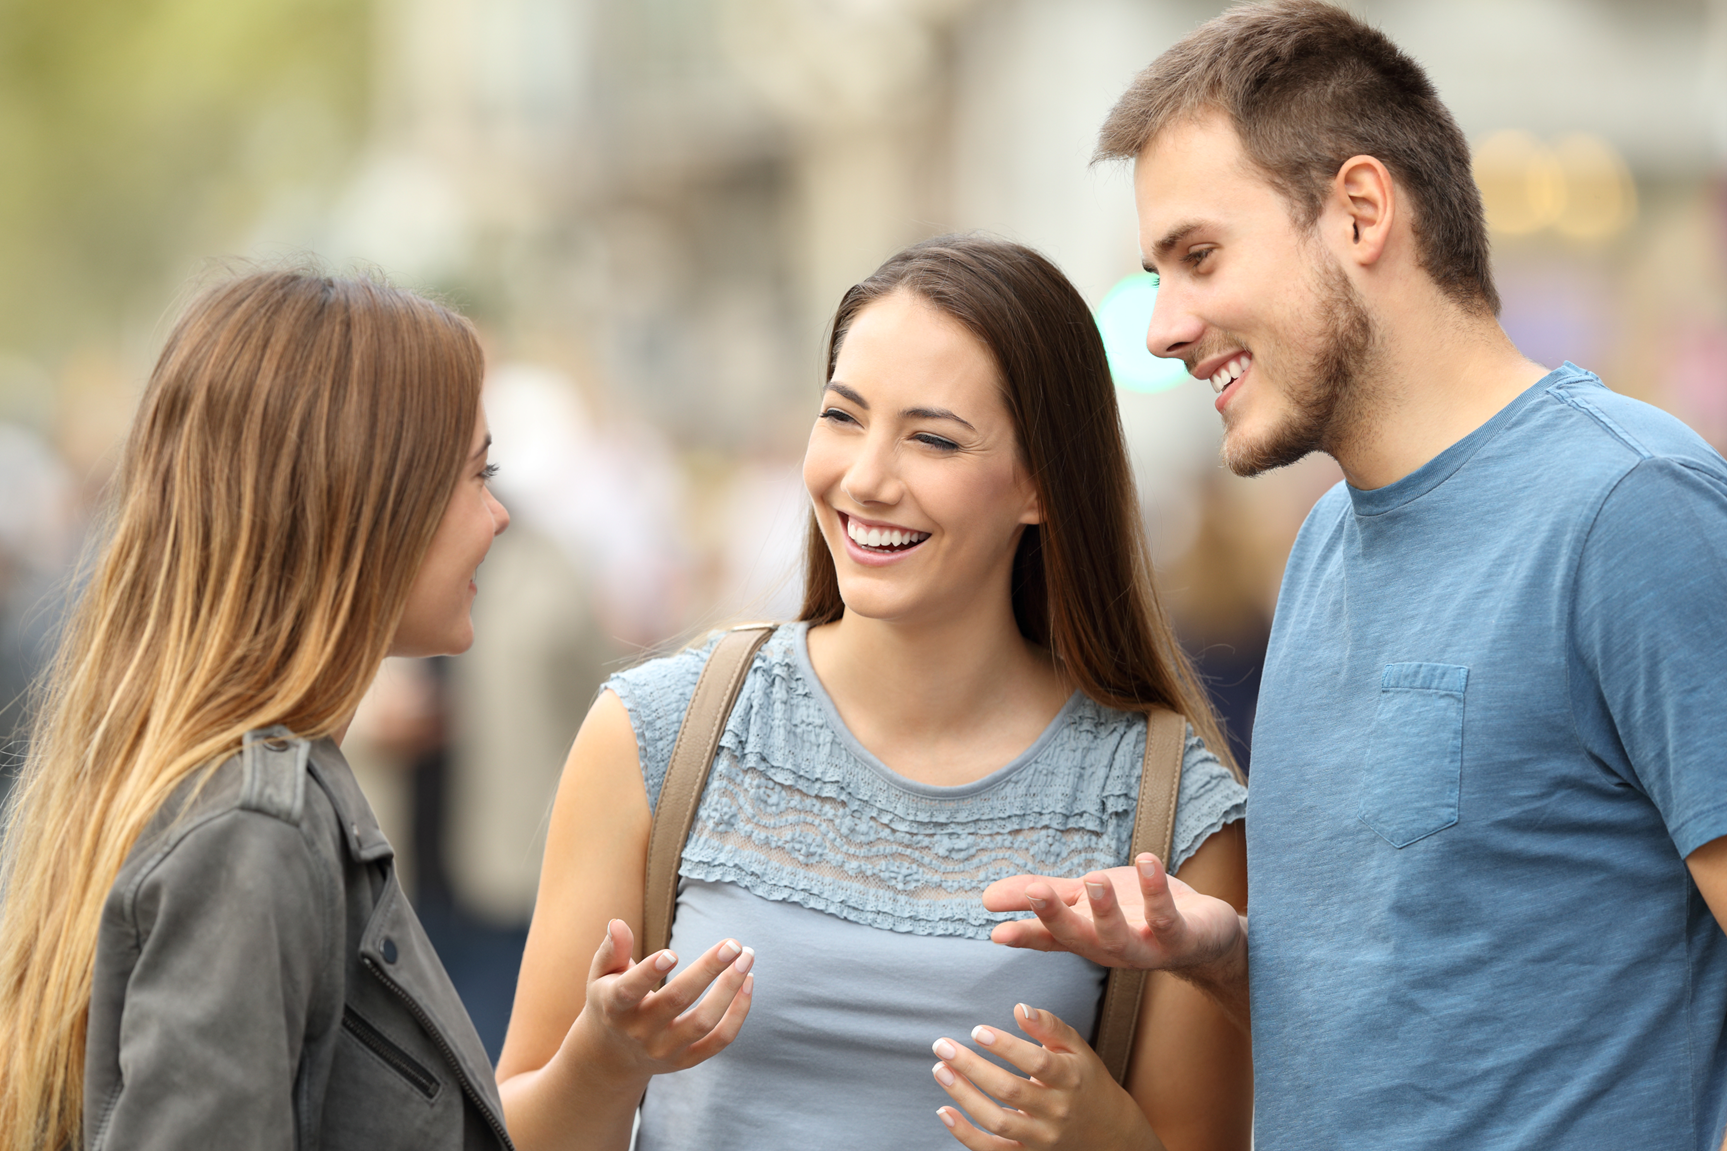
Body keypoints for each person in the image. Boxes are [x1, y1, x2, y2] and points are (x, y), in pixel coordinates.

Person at [984, 3, 1727, 1149]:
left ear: (1360, 212)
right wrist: (1228, 952)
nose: (1162, 327)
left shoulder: (1632, 508)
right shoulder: (1326, 540)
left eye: (1198, 256)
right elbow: (1432, 1001)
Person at [495, 236, 1252, 1151]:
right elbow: (516, 1129)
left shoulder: (1169, 807)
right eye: (842, 417)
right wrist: (604, 1058)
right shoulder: (655, 731)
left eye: (931, 437)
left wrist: (1107, 1138)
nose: (864, 478)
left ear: (1042, 484)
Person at [0, 270, 515, 1150]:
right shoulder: (254, 829)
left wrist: (601, 1054)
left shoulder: (213, 786)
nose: (498, 514)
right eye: (476, 473)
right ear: (362, 496)